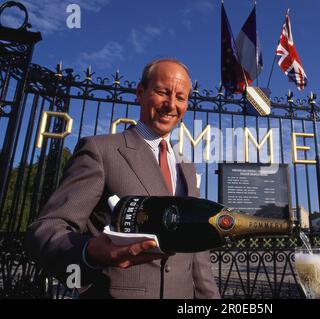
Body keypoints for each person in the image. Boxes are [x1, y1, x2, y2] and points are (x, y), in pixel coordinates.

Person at [25, 58, 220, 299]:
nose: (171, 105)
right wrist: (89, 252)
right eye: (162, 92)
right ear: (140, 93)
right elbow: (46, 229)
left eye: (180, 97)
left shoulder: (186, 166)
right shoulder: (100, 151)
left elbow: (197, 253)